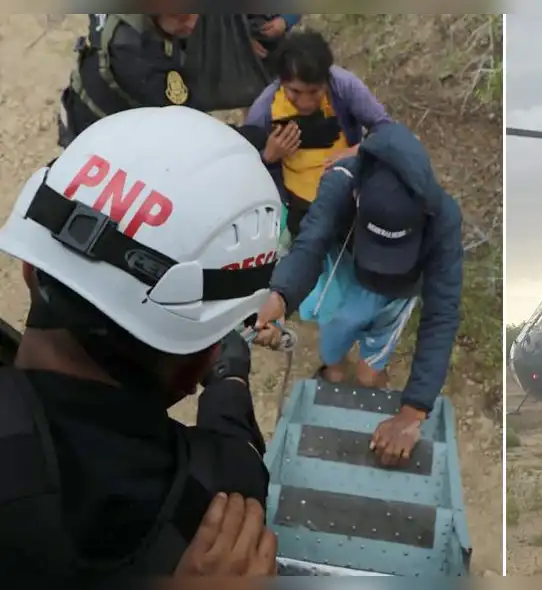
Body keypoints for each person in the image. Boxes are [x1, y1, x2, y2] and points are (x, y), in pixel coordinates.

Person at [0, 106, 282, 577]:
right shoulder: (216, 505)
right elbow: (234, 460)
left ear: (31, 268)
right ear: (199, 360)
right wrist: (229, 380)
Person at [252, 121, 464, 468]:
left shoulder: (443, 216)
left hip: (396, 297)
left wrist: (412, 412)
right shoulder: (341, 182)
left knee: (371, 368)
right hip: (344, 274)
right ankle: (334, 369)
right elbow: (310, 245)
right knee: (334, 333)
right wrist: (280, 297)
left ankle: (370, 376)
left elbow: (442, 312)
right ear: (358, 197)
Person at [244, 29, 392, 240]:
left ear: (326, 79)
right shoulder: (265, 108)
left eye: (314, 92)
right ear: (281, 82)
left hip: (348, 193)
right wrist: (267, 156)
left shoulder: (345, 87)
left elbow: (387, 129)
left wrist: (357, 150)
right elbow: (243, 168)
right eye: (295, 92)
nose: (305, 103)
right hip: (296, 206)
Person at [58, 14, 202, 147]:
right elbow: (190, 124)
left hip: (93, 91)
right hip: (97, 140)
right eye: (180, 17)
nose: (193, 22)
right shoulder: (139, 56)